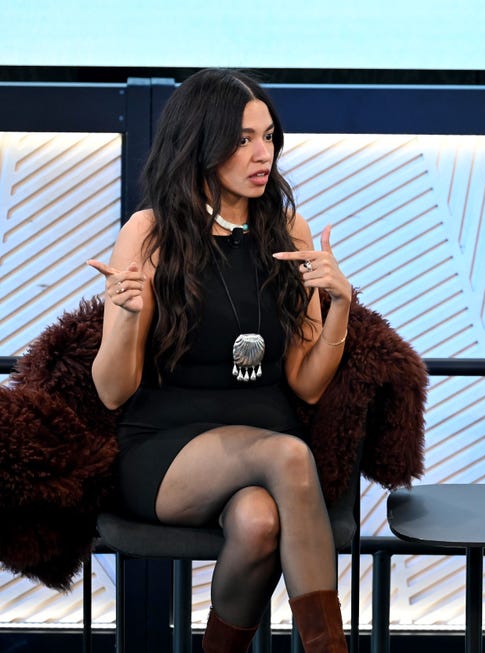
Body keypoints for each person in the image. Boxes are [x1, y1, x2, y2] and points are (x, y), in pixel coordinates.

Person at [88, 68, 352, 653]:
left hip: (268, 444)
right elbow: (111, 391)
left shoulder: (286, 229)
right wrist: (128, 315)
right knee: (288, 454)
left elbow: (305, 387)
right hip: (168, 447)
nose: (265, 154)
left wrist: (339, 307)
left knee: (259, 524)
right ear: (201, 146)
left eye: (269, 136)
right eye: (243, 140)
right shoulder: (150, 234)